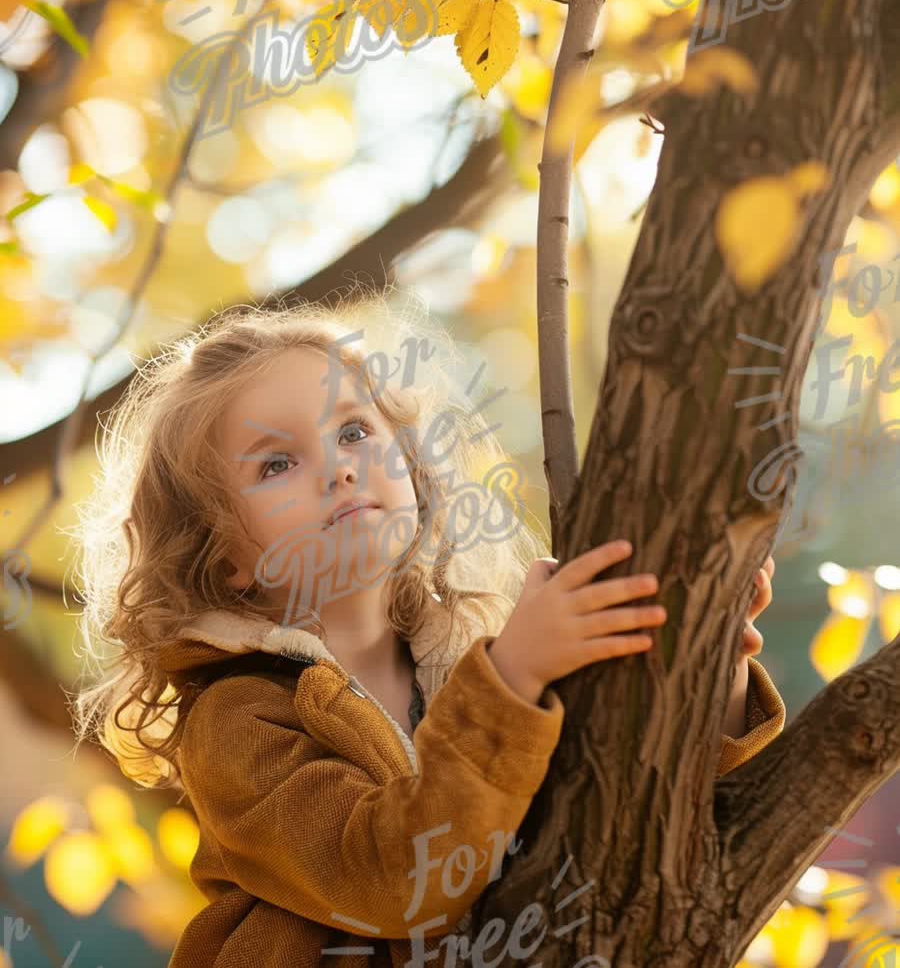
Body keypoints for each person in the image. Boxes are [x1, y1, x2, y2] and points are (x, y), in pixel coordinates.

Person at [66, 285, 784, 968]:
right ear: (224, 556)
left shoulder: (475, 661)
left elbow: (641, 801)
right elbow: (395, 877)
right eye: (278, 462)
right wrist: (512, 678)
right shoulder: (238, 720)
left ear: (407, 460)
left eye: (353, 430)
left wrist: (710, 661)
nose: (339, 469)